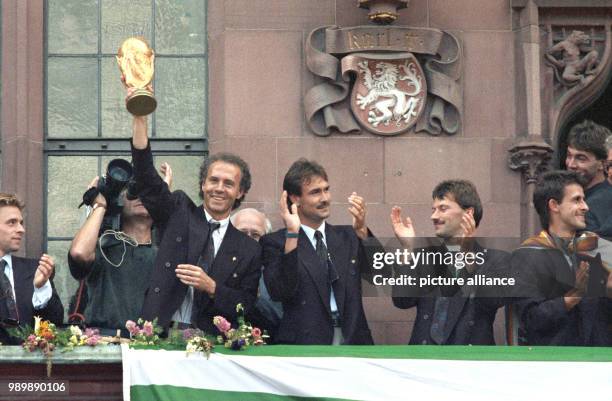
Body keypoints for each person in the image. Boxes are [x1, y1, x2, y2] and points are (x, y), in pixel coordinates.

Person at [129, 105, 261, 334]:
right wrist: (140, 117)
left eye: (228, 183)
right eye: (214, 180)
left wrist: (212, 287)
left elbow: (247, 306)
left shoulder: (248, 248)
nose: (219, 189)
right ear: (203, 184)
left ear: (240, 192)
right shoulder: (179, 212)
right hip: (159, 335)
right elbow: (146, 179)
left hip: (212, 345)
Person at [261, 158, 382, 345]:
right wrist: (292, 234)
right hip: (305, 343)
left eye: (326, 189)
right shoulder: (276, 242)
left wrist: (363, 232)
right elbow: (280, 291)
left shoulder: (348, 236)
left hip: (354, 341)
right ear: (295, 198)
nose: (325, 198)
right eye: (315, 192)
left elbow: (382, 276)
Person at [390, 180, 510, 345]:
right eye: (433, 210)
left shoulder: (496, 259)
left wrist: (467, 256)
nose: (434, 216)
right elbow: (402, 301)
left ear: (468, 213)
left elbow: (491, 302)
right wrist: (407, 247)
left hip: (470, 363)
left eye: (443, 208)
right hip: (422, 363)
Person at [67, 164, 172, 335]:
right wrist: (100, 205)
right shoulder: (105, 249)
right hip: (104, 344)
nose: (141, 197)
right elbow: (79, 253)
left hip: (149, 347)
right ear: (120, 202)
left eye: (148, 192)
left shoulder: (165, 257)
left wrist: (163, 196)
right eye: (133, 191)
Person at [512, 170, 612, 346]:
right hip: (554, 364)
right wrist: (572, 297)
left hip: (598, 362)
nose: (585, 207)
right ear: (554, 205)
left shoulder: (596, 249)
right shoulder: (527, 255)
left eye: (584, 199)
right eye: (576, 200)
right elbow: (530, 320)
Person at [0, 193, 63, 344]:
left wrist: (40, 289)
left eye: (21, 222)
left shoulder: (35, 270)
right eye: (12, 222)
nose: (21, 229)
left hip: (30, 365)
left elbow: (55, 324)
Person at [231, 208, 283, 339]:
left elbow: (279, 316)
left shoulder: (275, 272)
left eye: (255, 235)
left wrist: (255, 299)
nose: (248, 240)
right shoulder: (216, 266)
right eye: (242, 233)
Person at [565, 120, 612, 237]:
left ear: (602, 164)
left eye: (581, 158)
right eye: (569, 155)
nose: (571, 164)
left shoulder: (586, 208)